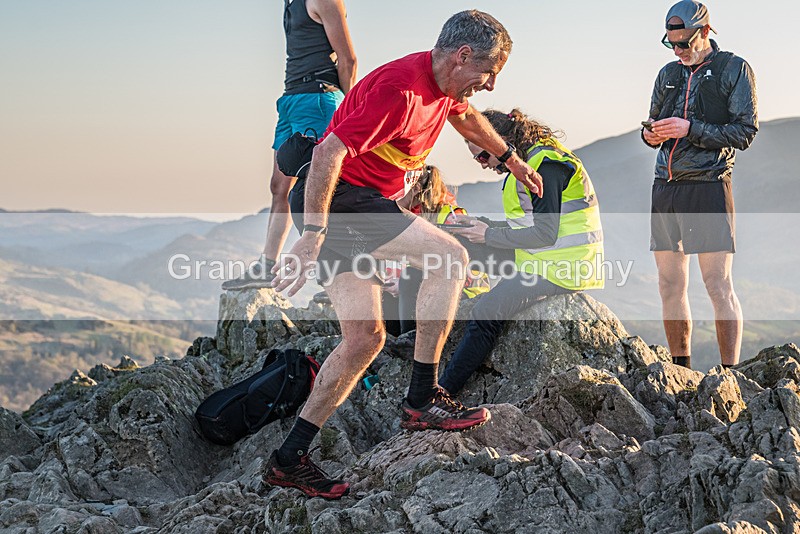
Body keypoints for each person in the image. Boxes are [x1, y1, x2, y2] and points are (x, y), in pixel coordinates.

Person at [265, 10, 543, 500]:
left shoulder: (443, 90)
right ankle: (421, 398)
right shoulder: (401, 90)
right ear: (461, 56)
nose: (491, 85)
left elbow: (468, 120)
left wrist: (512, 160)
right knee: (451, 259)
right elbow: (329, 153)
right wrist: (311, 234)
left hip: (351, 204)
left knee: (364, 341)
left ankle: (288, 461)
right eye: (489, 72)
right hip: (341, 201)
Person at [439, 108, 604, 395]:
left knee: (486, 310)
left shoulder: (546, 164)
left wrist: (488, 234)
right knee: (451, 246)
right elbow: (528, 224)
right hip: (538, 258)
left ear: (500, 141)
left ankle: (443, 392)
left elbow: (544, 233)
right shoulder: (526, 163)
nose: (482, 165)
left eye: (483, 155)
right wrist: (481, 226)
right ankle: (416, 337)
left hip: (563, 267)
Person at [641, 0, 758, 369]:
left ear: (705, 32)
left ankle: (730, 373)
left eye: (684, 43)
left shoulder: (733, 68)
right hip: (666, 184)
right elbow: (653, 123)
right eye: (671, 44)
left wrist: (691, 129)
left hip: (708, 184)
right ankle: (681, 371)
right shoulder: (667, 73)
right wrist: (650, 136)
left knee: (716, 285)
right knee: (669, 286)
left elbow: (745, 131)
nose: (678, 51)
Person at [222, 0, 357, 290]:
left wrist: (347, 111)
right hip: (291, 100)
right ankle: (267, 266)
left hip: (318, 98)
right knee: (279, 187)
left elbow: (348, 60)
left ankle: (339, 277)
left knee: (321, 188)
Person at [391, 165, 490, 334]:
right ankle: (392, 352)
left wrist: (401, 282)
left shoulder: (451, 218)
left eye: (397, 191)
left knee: (408, 279)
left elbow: (458, 266)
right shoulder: (415, 217)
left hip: (467, 291)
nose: (392, 196)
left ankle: (409, 343)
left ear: (414, 190)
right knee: (385, 292)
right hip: (438, 283)